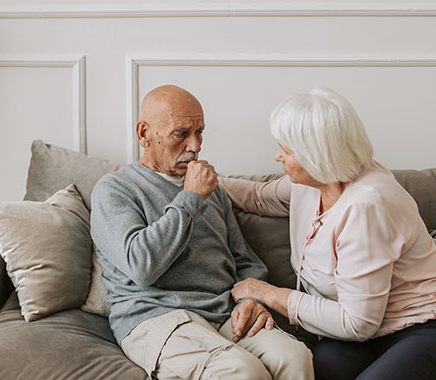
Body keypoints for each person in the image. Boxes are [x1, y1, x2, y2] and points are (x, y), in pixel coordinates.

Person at [219, 87, 436, 380]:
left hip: (430, 332)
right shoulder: (310, 184)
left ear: (314, 155)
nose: (277, 155)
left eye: (287, 149)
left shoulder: (367, 204)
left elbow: (358, 323)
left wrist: (266, 292)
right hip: (362, 341)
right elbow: (258, 197)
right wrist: (197, 180)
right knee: (302, 372)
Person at [90, 84, 313, 380]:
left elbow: (244, 259)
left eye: (200, 133)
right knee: (242, 371)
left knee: (295, 357)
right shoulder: (115, 189)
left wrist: (251, 301)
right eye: (181, 134)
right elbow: (142, 266)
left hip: (222, 312)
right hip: (156, 318)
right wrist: (191, 197)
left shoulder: (212, 189)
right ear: (144, 134)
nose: (195, 146)